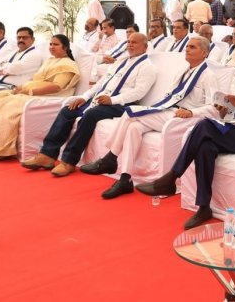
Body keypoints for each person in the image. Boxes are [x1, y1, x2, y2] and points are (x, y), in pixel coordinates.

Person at [136, 44, 235, 229]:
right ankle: (203, 207)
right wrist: (224, 111)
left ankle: (171, 177)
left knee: (205, 125)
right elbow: (234, 116)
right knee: (205, 146)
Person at [80, 36, 220, 198]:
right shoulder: (183, 72)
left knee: (130, 112)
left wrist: (192, 112)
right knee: (134, 128)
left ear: (204, 53)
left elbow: (214, 108)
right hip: (170, 111)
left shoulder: (209, 75)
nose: (187, 49)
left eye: (193, 47)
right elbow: (170, 96)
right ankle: (125, 178)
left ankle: (111, 157)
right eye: (187, 46)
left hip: (186, 118)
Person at [21, 33, 155, 176]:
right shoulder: (120, 62)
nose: (130, 44)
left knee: (91, 114)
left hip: (121, 104)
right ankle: (47, 155)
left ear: (145, 47)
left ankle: (69, 161)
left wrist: (112, 100)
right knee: (68, 110)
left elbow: (139, 92)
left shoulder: (148, 67)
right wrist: (84, 97)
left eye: (134, 42)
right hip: (102, 99)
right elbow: (101, 83)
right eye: (128, 42)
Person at [0, 34, 80, 162]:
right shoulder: (50, 60)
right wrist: (22, 88)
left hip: (47, 96)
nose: (52, 47)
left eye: (56, 44)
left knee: (8, 108)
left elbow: (57, 87)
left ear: (65, 47)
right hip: (31, 92)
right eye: (51, 44)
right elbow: (36, 78)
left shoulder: (68, 64)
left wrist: (30, 91)